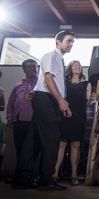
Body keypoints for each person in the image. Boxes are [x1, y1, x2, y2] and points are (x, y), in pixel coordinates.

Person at [27, 30, 75, 190]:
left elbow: (53, 81)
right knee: (52, 139)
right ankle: (46, 179)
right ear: (58, 42)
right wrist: (60, 100)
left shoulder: (59, 59)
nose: (71, 44)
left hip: (49, 100)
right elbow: (48, 78)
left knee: (35, 139)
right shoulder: (51, 56)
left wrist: (62, 103)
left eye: (73, 41)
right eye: (69, 41)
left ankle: (26, 177)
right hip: (46, 99)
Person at [54, 61, 91, 185]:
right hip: (65, 115)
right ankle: (55, 173)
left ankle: (74, 175)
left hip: (79, 117)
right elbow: (59, 98)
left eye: (80, 66)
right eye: (75, 65)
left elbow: (88, 101)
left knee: (76, 145)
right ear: (70, 68)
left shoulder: (86, 84)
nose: (78, 67)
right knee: (61, 144)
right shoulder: (64, 82)